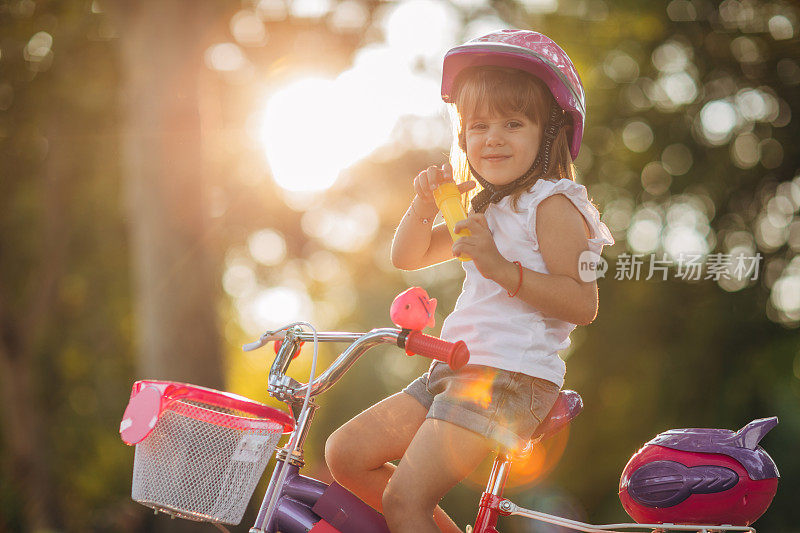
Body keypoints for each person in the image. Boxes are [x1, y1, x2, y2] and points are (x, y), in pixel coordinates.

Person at [324, 29, 615, 533]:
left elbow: (583, 302)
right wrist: (421, 207)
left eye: (513, 123)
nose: (493, 137)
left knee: (404, 501)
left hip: (510, 378)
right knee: (345, 454)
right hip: (459, 368)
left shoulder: (555, 205)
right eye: (478, 125)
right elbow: (407, 256)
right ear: (461, 136)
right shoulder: (484, 207)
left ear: (549, 134)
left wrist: (501, 268)